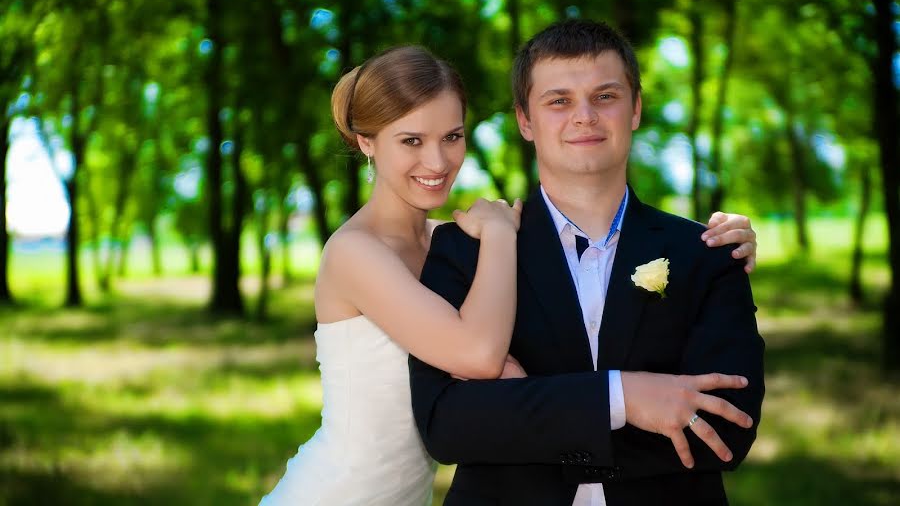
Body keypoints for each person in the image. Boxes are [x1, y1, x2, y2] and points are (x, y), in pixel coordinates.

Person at [260, 44, 759, 505]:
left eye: (452, 137)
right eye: (411, 140)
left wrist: (724, 242)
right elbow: (478, 356)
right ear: (365, 142)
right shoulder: (357, 252)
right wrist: (500, 234)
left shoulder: (445, 243)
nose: (437, 161)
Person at [409, 20, 766, 506]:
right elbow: (449, 428)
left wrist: (526, 410)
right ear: (525, 120)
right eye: (559, 101)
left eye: (605, 96)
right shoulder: (463, 251)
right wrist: (624, 398)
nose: (584, 117)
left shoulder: (707, 253)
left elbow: (727, 427)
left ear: (635, 108)